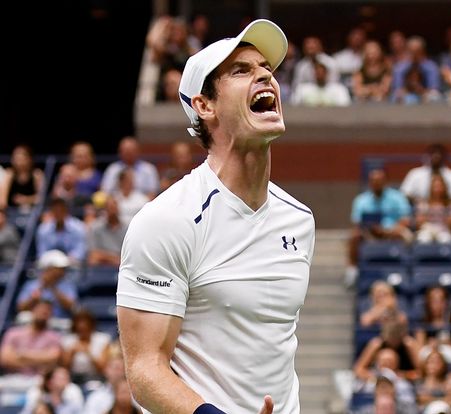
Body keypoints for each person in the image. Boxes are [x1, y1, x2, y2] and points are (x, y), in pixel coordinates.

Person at [116, 19, 315, 414]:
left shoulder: (299, 220)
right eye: (241, 71)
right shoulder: (166, 221)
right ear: (204, 106)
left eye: (267, 69)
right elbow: (144, 370)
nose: (264, 76)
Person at [346, 168, 412, 286]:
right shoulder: (361, 200)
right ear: (369, 182)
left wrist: (389, 230)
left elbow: (406, 219)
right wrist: (370, 230)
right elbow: (357, 223)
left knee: (405, 236)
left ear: (386, 181)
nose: (376, 183)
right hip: (370, 233)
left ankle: (406, 270)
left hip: (393, 231)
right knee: (354, 236)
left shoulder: (397, 197)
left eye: (379, 180)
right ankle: (352, 271)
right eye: (373, 180)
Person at [0, 300, 62, 377]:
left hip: (39, 381)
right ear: (32, 310)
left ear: (51, 315)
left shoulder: (54, 336)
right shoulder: (13, 333)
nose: (43, 313)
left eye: (46, 311)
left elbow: (53, 358)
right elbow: (5, 359)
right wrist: (39, 361)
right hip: (12, 379)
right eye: (41, 310)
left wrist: (22, 354)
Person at [17, 250, 78, 319]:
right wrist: (41, 287)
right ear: (48, 268)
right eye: (59, 268)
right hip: (35, 322)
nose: (63, 271)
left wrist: (53, 288)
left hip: (60, 323)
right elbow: (21, 308)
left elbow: (71, 307)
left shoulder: (67, 285)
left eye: (63, 269)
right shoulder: (31, 285)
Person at [354, 318, 421, 381]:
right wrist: (379, 377)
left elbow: (422, 372)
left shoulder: (409, 344)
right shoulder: (376, 344)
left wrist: (400, 376)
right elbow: (358, 370)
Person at [415, 286, 451, 363]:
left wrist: (447, 343)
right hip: (430, 357)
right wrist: (429, 345)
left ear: (447, 302)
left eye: (441, 300)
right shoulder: (422, 325)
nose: (437, 304)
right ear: (428, 303)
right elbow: (419, 349)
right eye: (433, 300)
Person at [61, 309, 112, 385]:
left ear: (91, 324)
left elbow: (103, 369)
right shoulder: (67, 340)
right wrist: (71, 353)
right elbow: (63, 368)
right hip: (72, 379)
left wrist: (88, 353)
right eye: (79, 323)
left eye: (85, 323)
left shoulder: (103, 339)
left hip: (96, 379)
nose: (82, 326)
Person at [35, 198, 87, 264]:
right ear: (51, 211)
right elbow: (41, 254)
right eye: (55, 210)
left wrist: (64, 261)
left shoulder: (79, 227)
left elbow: (80, 253)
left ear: (66, 210)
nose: (58, 213)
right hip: (50, 265)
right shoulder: (43, 229)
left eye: (61, 210)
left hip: (72, 265)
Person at [391, 36, 442, 103]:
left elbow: (434, 91)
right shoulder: (399, 68)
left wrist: (420, 90)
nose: (414, 54)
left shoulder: (431, 67)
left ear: (423, 51)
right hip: (405, 99)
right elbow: (397, 90)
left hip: (426, 98)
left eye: (417, 51)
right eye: (411, 51)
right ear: (407, 50)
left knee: (435, 98)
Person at [414, 176, 451, 244]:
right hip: (427, 229)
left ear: (444, 187)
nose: (437, 189)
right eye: (435, 186)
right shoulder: (423, 203)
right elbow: (419, 223)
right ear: (431, 188)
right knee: (423, 238)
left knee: (446, 239)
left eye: (440, 186)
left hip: (444, 230)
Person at [19, 366, 84, 414]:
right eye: (61, 378)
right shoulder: (36, 394)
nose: (65, 381)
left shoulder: (73, 393)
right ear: (49, 382)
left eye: (67, 378)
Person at [0, 144, 44, 211]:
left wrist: (26, 199)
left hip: (33, 212)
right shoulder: (9, 174)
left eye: (21, 158)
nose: (18, 161)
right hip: (11, 213)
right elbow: (3, 200)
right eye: (16, 158)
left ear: (29, 159)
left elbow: (42, 198)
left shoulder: (37, 174)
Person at [86, 196, 127, 267]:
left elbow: (129, 255)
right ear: (105, 210)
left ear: (118, 209)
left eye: (114, 208)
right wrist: (115, 259)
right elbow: (93, 255)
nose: (112, 211)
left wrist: (105, 257)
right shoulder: (96, 227)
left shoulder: (127, 228)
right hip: (102, 266)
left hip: (122, 266)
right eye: (110, 208)